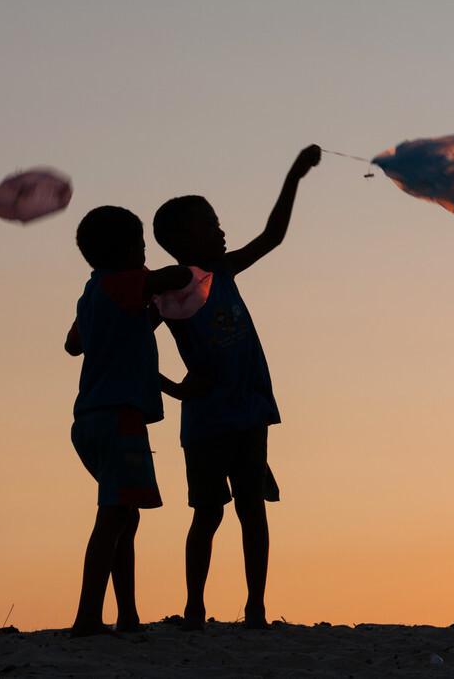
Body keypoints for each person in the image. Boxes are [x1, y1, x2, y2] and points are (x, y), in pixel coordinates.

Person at [153, 145, 321, 630]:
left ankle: (255, 609)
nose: (221, 230)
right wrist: (175, 388)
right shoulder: (170, 290)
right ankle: (194, 609)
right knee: (208, 516)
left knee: (252, 509)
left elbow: (273, 235)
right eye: (210, 223)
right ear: (183, 238)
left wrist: (294, 175)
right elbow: (129, 346)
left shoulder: (222, 271)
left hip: (247, 411)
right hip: (207, 421)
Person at [64, 205, 193, 636]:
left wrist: (143, 316)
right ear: (123, 251)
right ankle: (87, 616)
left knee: (125, 514)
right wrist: (162, 281)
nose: (144, 253)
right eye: (140, 245)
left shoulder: (93, 292)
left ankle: (128, 615)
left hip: (89, 419)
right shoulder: (125, 281)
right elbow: (172, 278)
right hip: (120, 418)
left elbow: (73, 344)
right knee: (114, 516)